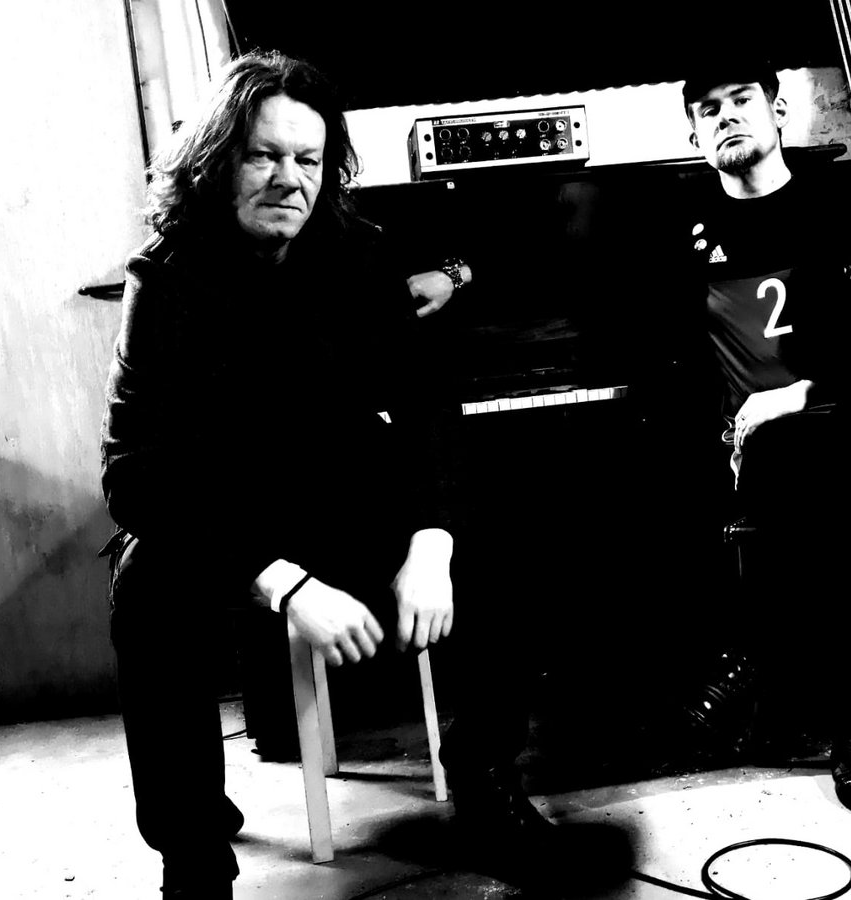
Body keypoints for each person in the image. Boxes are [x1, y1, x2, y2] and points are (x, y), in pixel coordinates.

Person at [99, 50, 554, 898]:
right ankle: (192, 856)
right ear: (216, 161)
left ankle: (486, 784)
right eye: (263, 156)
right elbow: (134, 474)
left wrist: (431, 540)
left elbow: (427, 406)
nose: (289, 180)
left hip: (341, 496)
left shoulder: (359, 255)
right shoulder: (165, 280)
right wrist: (285, 582)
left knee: (499, 534)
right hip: (229, 523)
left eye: (307, 160)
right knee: (145, 586)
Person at [655, 52, 851, 822]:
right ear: (694, 134)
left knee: (810, 454)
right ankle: (834, 710)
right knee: (784, 466)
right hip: (770, 460)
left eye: (741, 98)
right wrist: (458, 272)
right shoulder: (682, 231)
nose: (727, 115)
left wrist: (803, 394)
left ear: (777, 110)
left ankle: (777, 668)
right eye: (708, 109)